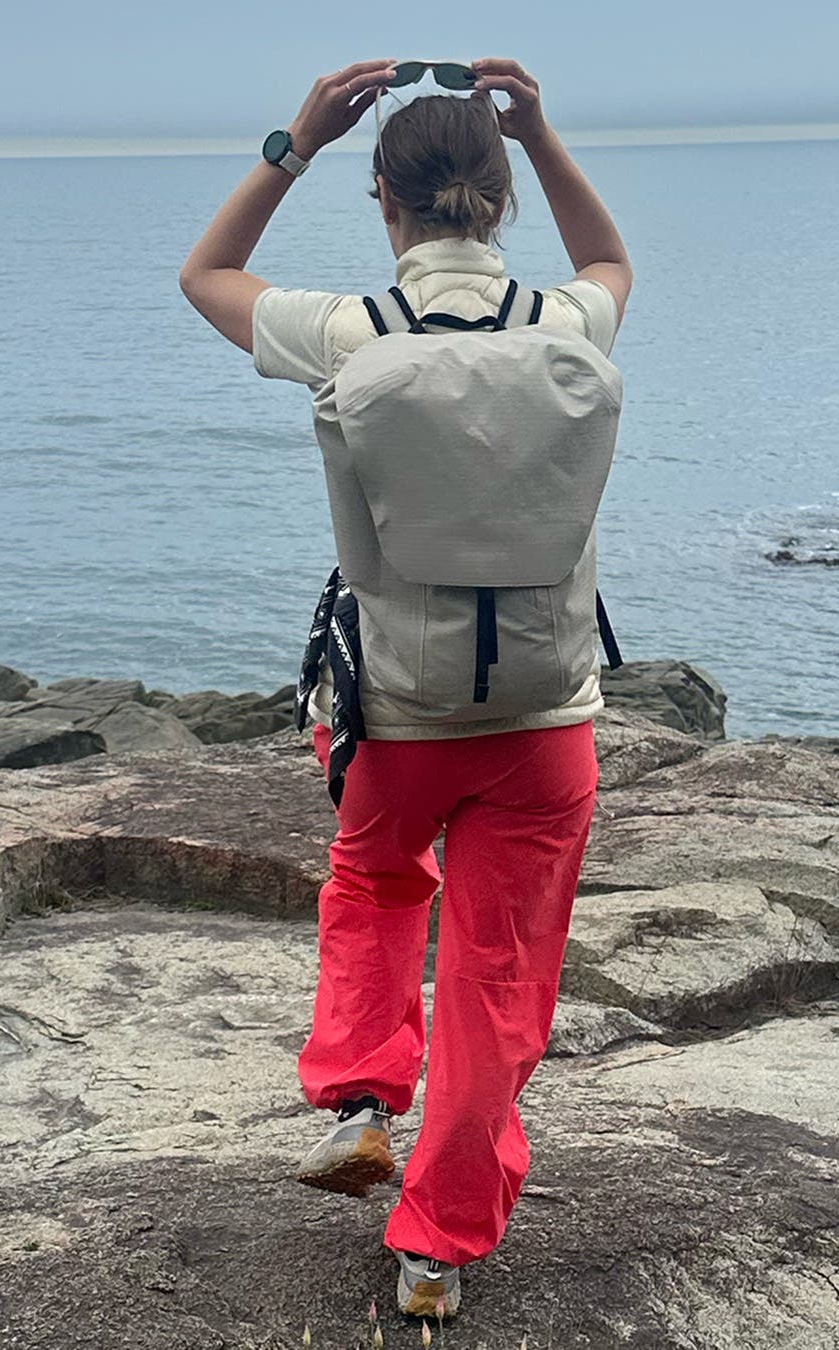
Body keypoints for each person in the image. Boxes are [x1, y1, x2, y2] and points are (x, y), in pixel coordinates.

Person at [179, 57, 632, 1320]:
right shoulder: (565, 326)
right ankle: (435, 1248)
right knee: (498, 976)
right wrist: (541, 130)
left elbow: (204, 276)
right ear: (500, 200)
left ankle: (363, 1099)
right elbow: (613, 265)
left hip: (402, 710)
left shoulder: (352, 333)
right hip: (546, 719)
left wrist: (296, 138)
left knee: (377, 885)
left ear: (386, 200)